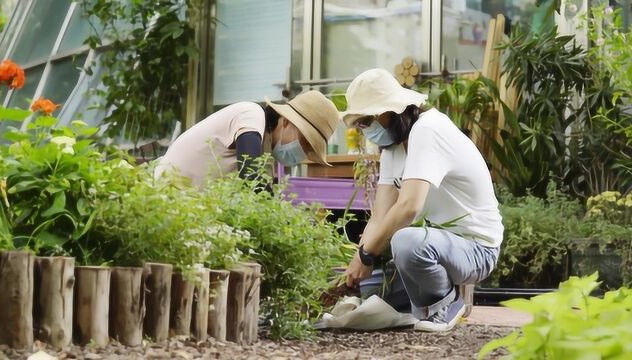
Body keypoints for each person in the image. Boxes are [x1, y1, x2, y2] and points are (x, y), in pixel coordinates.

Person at [341, 69, 503, 332]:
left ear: (389, 110)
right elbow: (380, 216)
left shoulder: (428, 130)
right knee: (369, 291)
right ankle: (418, 306)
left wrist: (367, 255)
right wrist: (358, 261)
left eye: (366, 121)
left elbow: (409, 207)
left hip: (476, 249)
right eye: (360, 124)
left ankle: (444, 303)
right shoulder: (393, 148)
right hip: (437, 244)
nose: (365, 130)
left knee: (405, 241)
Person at [154, 90, 340, 186]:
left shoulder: (264, 147)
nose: (303, 152)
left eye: (308, 150)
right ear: (286, 122)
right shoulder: (251, 114)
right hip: (166, 195)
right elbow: (250, 174)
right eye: (306, 142)